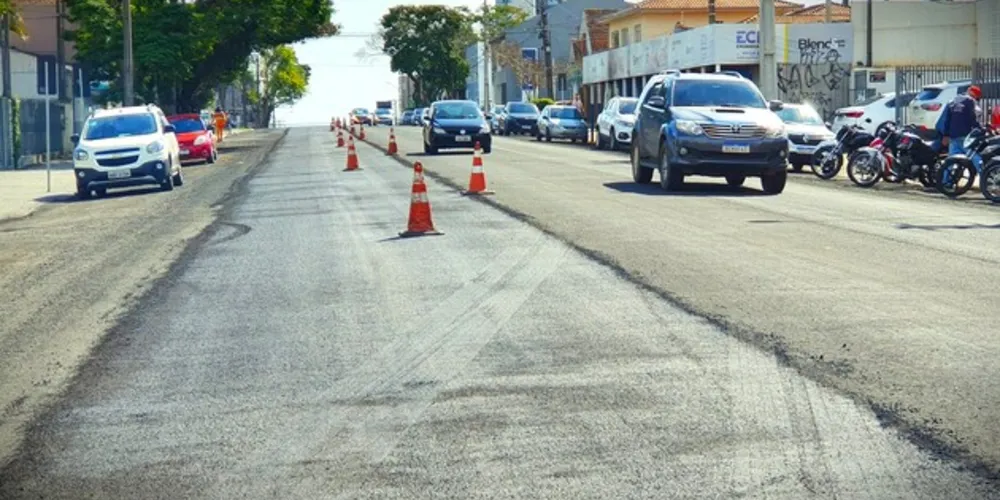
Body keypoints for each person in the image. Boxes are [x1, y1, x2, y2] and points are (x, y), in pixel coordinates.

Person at [935, 85, 983, 171]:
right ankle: (986, 179)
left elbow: (947, 119)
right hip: (965, 136)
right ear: (975, 95)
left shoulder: (953, 100)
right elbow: (973, 119)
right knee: (975, 158)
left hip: (953, 136)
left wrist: (946, 135)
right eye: (978, 98)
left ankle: (945, 182)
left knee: (950, 161)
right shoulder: (970, 101)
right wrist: (980, 129)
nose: (977, 100)